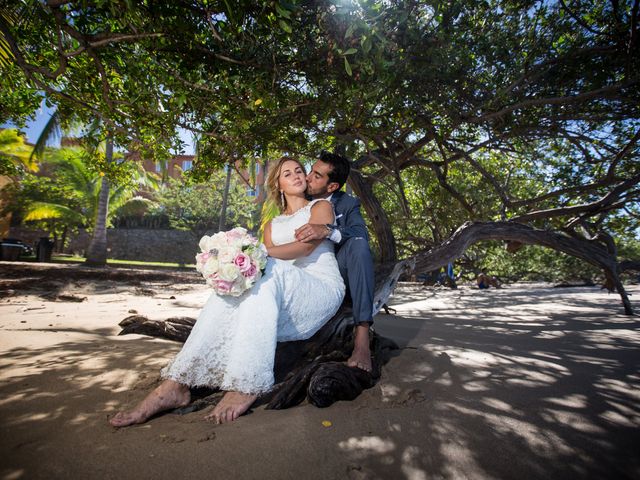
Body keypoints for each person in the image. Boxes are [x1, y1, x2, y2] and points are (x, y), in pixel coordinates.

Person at [109, 157, 345, 427]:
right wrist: (240, 262)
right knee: (234, 286)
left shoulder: (321, 207)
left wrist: (254, 255)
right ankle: (175, 384)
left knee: (262, 267)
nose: (296, 176)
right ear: (278, 185)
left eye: (299, 171)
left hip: (318, 290)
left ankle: (246, 382)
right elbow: (266, 265)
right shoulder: (271, 225)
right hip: (281, 293)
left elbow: (304, 249)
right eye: (287, 173)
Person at [294, 151, 376, 373]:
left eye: (317, 175)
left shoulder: (347, 203)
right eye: (311, 170)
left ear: (332, 187)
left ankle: (362, 338)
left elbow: (360, 233)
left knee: (358, 244)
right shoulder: (296, 194)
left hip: (335, 268)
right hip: (299, 268)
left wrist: (327, 230)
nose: (308, 177)